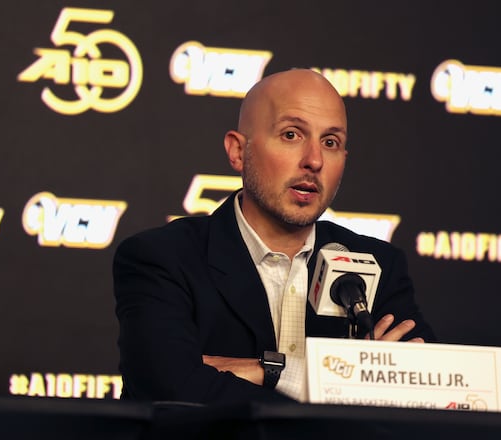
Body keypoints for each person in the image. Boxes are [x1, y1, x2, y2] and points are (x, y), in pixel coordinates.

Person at [113, 68, 435, 405]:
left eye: (331, 142)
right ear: (238, 151)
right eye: (292, 135)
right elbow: (170, 388)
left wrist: (264, 371)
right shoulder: (162, 258)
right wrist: (342, 378)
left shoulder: (379, 265)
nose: (314, 160)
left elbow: (429, 393)